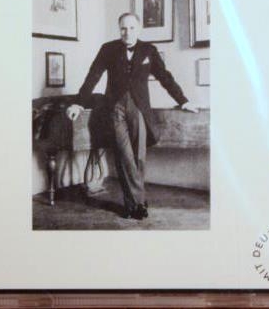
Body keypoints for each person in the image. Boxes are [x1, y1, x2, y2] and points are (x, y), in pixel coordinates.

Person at [66, 12, 198, 220]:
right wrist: (78, 103)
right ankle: (138, 203)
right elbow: (93, 76)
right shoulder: (107, 49)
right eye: (123, 28)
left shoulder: (149, 50)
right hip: (114, 108)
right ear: (119, 29)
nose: (127, 32)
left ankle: (133, 203)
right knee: (124, 155)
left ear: (139, 29)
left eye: (132, 28)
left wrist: (183, 100)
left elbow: (165, 77)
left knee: (138, 157)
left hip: (139, 108)